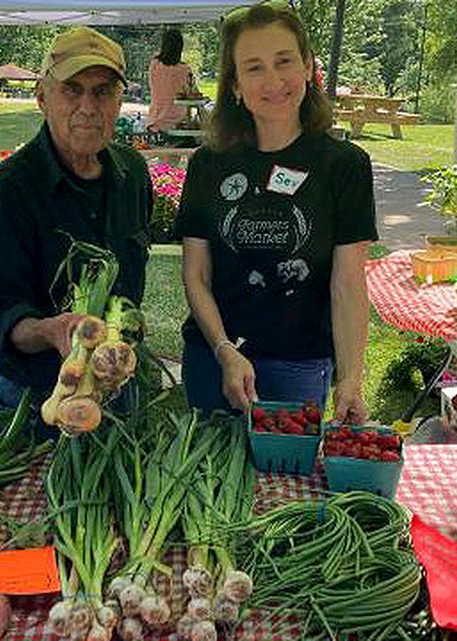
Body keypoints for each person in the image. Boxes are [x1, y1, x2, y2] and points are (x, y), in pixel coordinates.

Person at [173, 1, 378, 424]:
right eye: (254, 68)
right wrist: (225, 350)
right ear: (234, 85)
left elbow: (348, 284)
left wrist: (352, 378)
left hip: (298, 365)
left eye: (284, 61)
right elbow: (196, 275)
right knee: (208, 481)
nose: (274, 81)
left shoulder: (344, 166)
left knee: (288, 485)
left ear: (307, 67)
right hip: (212, 357)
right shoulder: (208, 165)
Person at [0, 27, 153, 430]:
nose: (88, 106)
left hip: (116, 390)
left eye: (103, 91)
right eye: (72, 90)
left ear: (120, 101)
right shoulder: (9, 191)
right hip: (34, 403)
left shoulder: (134, 175)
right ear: (42, 98)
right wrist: (53, 330)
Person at [147, 29, 196, 131]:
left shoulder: (154, 64)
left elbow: (153, 87)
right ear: (180, 47)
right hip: (178, 125)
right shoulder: (184, 69)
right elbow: (191, 94)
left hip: (155, 122)